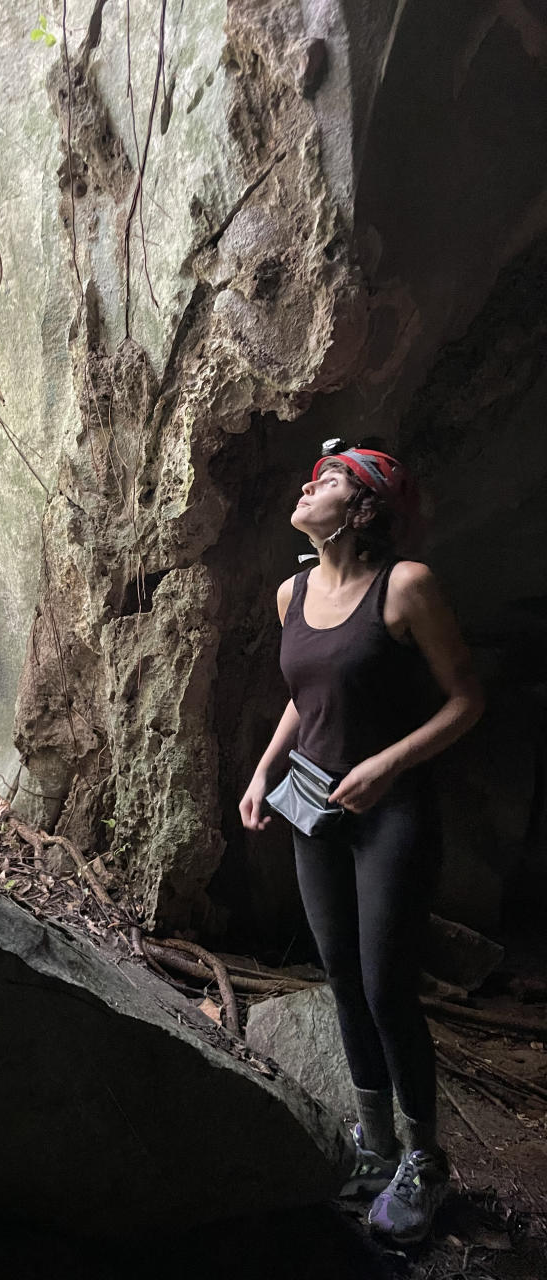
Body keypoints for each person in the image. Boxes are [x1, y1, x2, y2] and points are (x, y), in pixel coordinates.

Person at [239, 443, 485, 1245]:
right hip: (315, 804)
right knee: (341, 975)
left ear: (364, 508)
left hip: (393, 810)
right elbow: (306, 696)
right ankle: (375, 1148)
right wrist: (265, 768)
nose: (311, 486)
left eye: (332, 481)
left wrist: (386, 762)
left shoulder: (404, 587)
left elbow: (465, 701)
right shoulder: (292, 592)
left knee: (385, 986)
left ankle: (426, 1162)